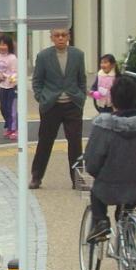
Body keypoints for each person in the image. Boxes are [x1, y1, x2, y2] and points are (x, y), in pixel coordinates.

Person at [83, 76, 136, 242]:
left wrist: (94, 171)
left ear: (114, 99)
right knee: (127, 209)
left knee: (95, 192)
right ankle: (129, 246)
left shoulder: (104, 125)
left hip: (110, 186)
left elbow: (93, 161)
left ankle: (101, 222)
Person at [30, 28, 87, 189]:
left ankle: (77, 179)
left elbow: (81, 79)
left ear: (69, 36)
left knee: (75, 143)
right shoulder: (43, 56)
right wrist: (41, 98)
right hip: (51, 105)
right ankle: (36, 177)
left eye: (64, 35)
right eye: (57, 35)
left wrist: (81, 97)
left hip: (73, 104)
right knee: (45, 142)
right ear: (52, 38)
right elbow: (37, 81)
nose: (61, 38)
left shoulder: (78, 55)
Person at [0, 35, 18, 140]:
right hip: (2, 86)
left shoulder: (12, 58)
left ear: (9, 46)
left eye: (4, 45)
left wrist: (10, 78)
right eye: (0, 44)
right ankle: (9, 125)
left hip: (12, 87)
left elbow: (15, 72)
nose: (2, 47)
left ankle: (14, 129)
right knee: (3, 107)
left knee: (11, 108)